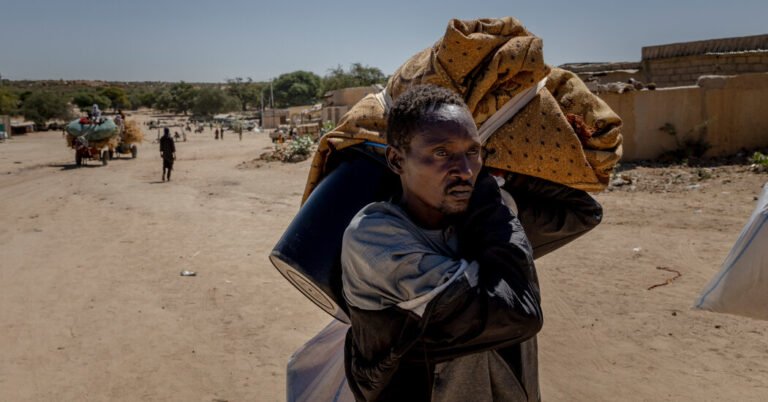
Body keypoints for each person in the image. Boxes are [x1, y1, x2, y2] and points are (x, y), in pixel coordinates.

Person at [341, 84, 543, 401]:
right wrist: (491, 200)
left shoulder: (471, 220)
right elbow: (519, 314)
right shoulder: (374, 238)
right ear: (396, 160)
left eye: (473, 152)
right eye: (441, 153)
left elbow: (582, 211)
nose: (465, 171)